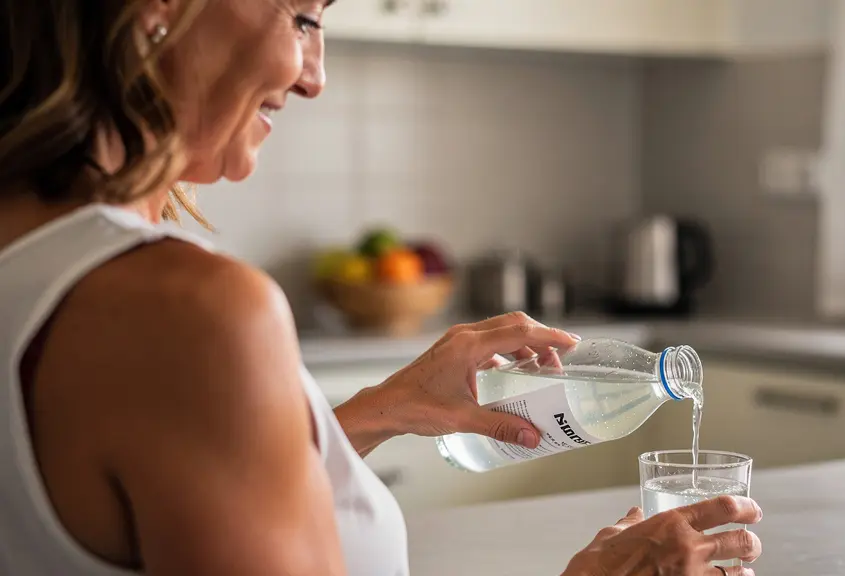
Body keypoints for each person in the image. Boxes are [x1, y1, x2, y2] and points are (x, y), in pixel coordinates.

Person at [0, 1, 763, 575]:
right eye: (301, 16)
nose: (314, 75)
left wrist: (375, 414)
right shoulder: (190, 313)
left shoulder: (36, 262)